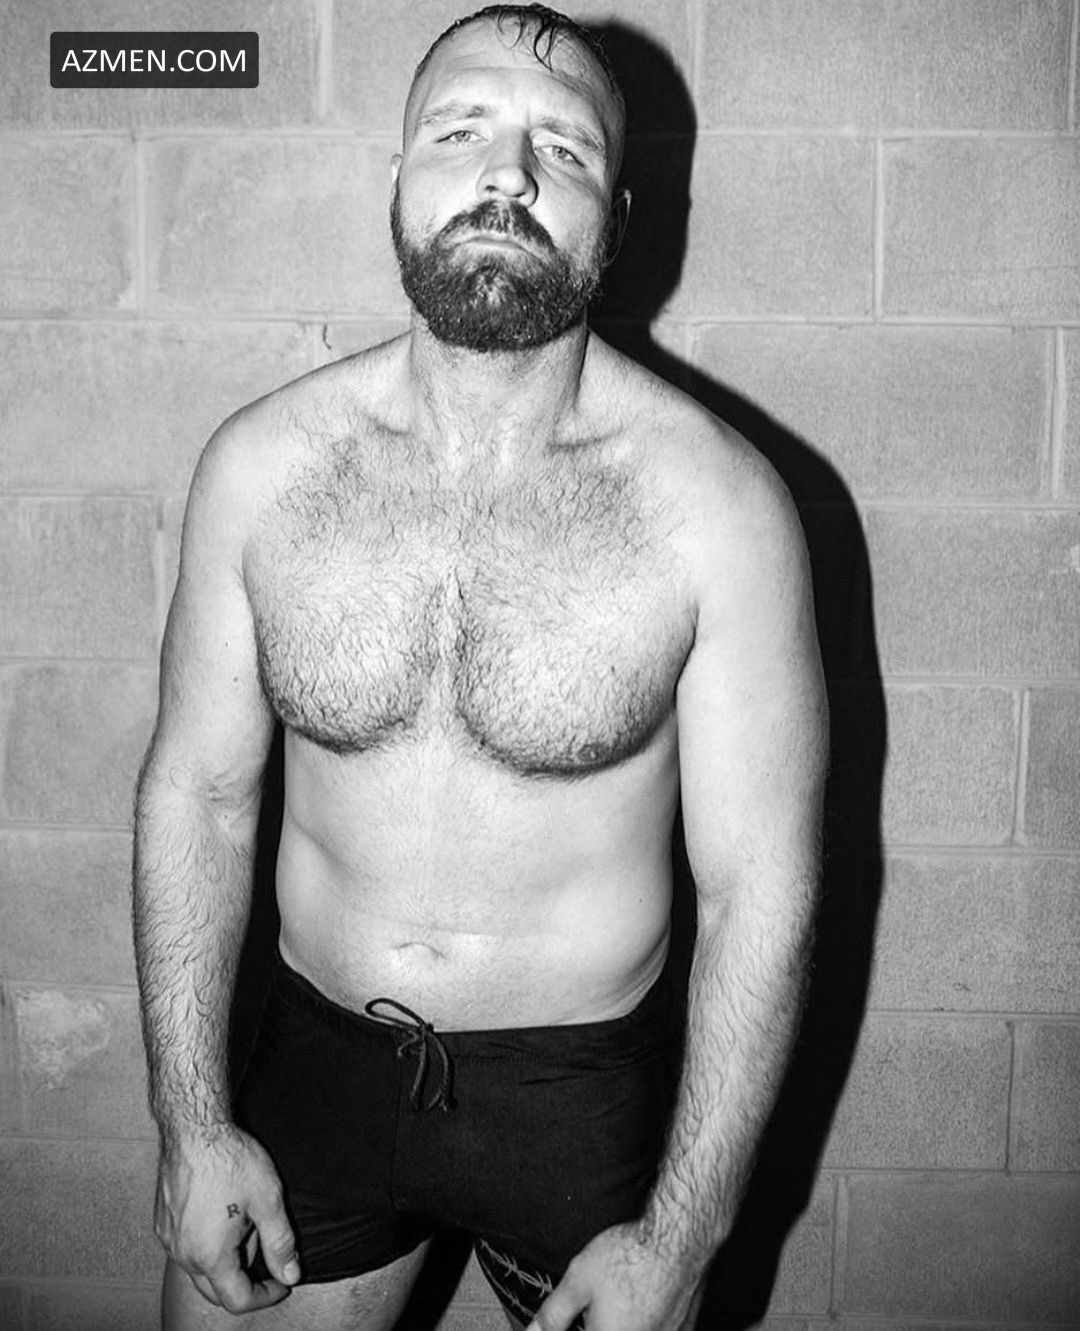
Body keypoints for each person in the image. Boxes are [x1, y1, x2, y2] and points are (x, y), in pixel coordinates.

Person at [132, 5, 828, 1329]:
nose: (506, 173)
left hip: (586, 1104)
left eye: (561, 149)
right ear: (397, 175)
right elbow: (197, 799)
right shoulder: (263, 471)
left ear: (616, 218)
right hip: (314, 1068)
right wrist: (190, 1122)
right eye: (461, 131)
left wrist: (683, 1237)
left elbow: (761, 890)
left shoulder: (718, 510)